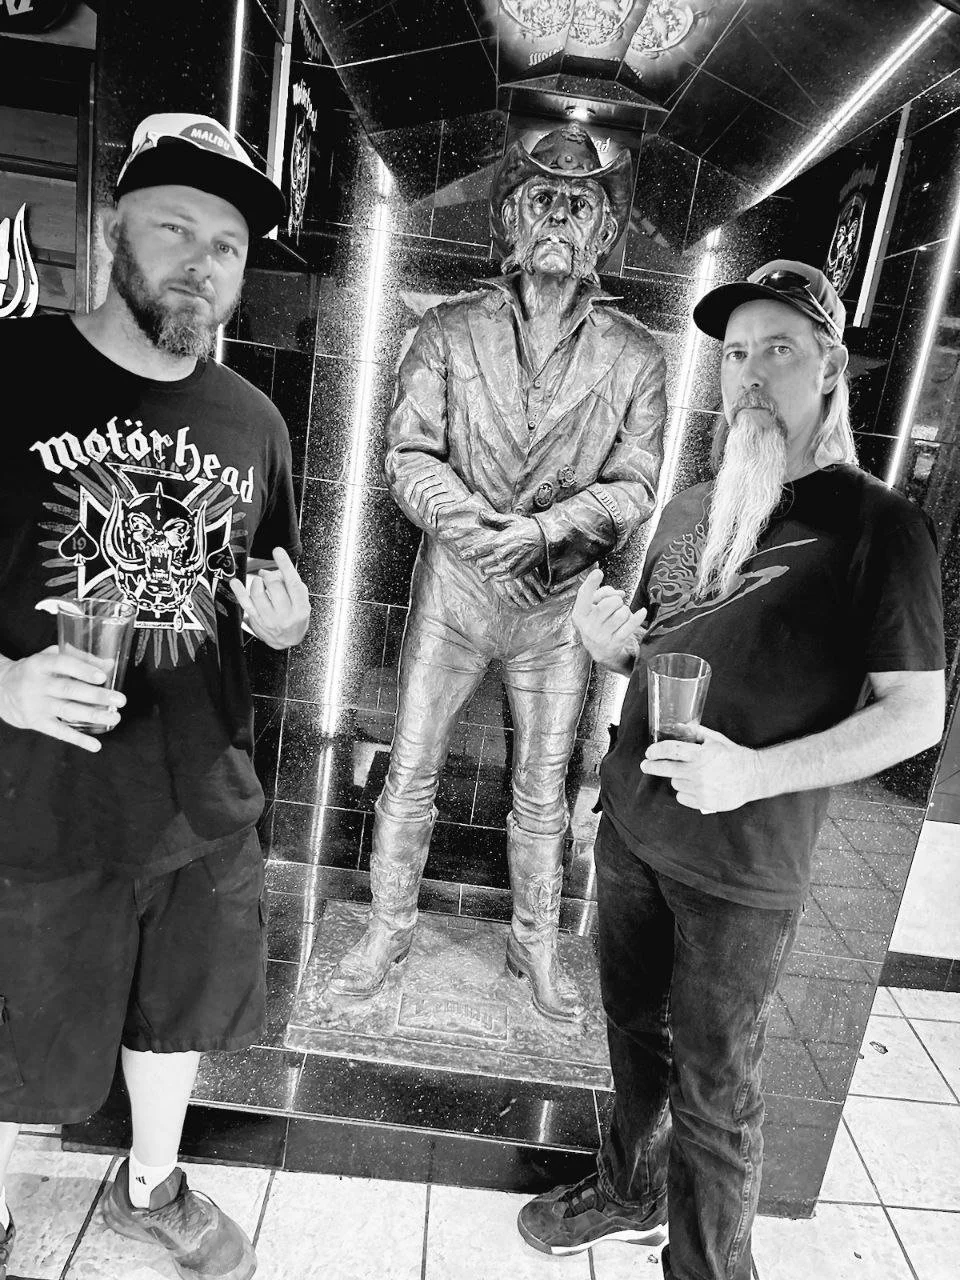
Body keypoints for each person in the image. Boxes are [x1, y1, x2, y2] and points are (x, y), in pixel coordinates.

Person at [517, 259, 945, 1278]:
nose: (750, 373)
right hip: (634, 830)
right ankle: (627, 1190)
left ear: (832, 368)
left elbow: (916, 716)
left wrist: (752, 773)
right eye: (737, 354)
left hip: (742, 868)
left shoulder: (879, 529)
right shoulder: (698, 503)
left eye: (780, 349)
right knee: (630, 1035)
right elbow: (672, 645)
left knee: (716, 1091)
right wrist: (611, 644)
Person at [0, 113, 310, 1280]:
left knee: (178, 1018)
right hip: (40, 801)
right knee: (18, 1021)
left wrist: (289, 625)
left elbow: (268, 598)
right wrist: (8, 684)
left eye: (225, 242)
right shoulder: (11, 372)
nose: (201, 259)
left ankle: (154, 1183)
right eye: (175, 225)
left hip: (201, 800)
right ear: (114, 225)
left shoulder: (256, 422)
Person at [326, 125, 666, 1021]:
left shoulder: (637, 356)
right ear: (511, 216)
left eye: (580, 204)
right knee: (412, 769)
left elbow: (634, 484)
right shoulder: (444, 330)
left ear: (604, 232)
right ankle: (386, 929)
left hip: (557, 612)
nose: (559, 217)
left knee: (545, 794)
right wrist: (488, 537)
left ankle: (536, 947)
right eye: (542, 200)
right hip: (457, 593)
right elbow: (407, 453)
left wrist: (546, 537)